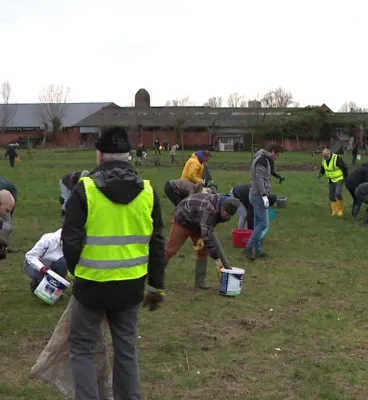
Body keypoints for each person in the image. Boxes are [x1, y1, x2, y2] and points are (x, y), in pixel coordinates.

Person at [61, 126, 166, 399]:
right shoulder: (148, 192)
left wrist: (75, 272)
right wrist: (157, 285)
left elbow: (70, 239)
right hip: (131, 286)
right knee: (126, 348)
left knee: (82, 346)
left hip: (92, 285)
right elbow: (157, 242)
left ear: (99, 156)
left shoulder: (85, 189)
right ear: (129, 155)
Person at [164, 193, 240, 288]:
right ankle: (155, 279)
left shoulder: (224, 204)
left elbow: (209, 227)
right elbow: (206, 235)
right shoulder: (209, 209)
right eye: (227, 214)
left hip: (198, 222)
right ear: (222, 208)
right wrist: (216, 257)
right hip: (183, 220)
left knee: (203, 251)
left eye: (230, 216)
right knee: (170, 250)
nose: (228, 217)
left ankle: (200, 282)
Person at [243, 143, 283, 260]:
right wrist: (264, 195)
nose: (277, 157)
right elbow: (259, 179)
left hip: (256, 195)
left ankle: (258, 250)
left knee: (257, 224)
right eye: (277, 155)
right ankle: (248, 247)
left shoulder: (262, 159)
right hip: (258, 196)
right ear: (273, 151)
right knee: (264, 223)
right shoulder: (262, 161)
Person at [25, 228, 68, 294]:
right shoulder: (48, 239)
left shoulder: (73, 243)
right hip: (34, 265)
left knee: (64, 262)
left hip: (54, 265)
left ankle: (57, 287)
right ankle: (37, 283)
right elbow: (30, 256)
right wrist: (41, 268)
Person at [318, 148, 348, 217]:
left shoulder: (337, 159)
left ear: (329, 154)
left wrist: (346, 177)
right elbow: (323, 168)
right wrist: (320, 174)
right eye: (324, 156)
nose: (325, 158)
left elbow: (345, 168)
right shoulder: (324, 159)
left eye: (326, 156)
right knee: (331, 196)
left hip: (339, 179)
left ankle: (340, 211)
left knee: (337, 193)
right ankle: (334, 211)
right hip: (331, 180)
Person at [0, 186, 16, 259]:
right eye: (7, 210)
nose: (8, 213)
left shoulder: (6, 200)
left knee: (5, 220)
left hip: (8, 190)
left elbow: (7, 221)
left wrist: (3, 240)